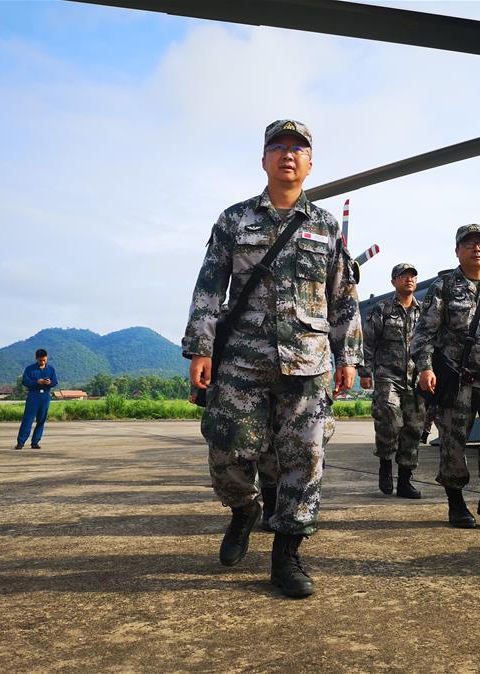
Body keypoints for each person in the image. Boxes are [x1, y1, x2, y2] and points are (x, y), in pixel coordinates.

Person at [182, 119, 362, 598]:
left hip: (308, 363)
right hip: (242, 361)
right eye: (278, 147)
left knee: (305, 457)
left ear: (310, 163)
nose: (288, 154)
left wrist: (349, 356)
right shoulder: (234, 220)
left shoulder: (325, 225)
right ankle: (244, 509)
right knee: (226, 451)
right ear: (263, 160)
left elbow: (343, 296)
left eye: (298, 149)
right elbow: (208, 288)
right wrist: (200, 347)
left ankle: (287, 555)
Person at [411, 225, 480, 531]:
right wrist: (426, 368)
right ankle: (456, 503)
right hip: (458, 382)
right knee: (453, 446)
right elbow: (424, 334)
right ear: (457, 251)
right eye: (469, 243)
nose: (476, 248)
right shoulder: (443, 288)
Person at [359, 263, 425, 499]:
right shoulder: (382, 309)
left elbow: (430, 343)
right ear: (393, 282)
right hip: (388, 376)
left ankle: (405, 481)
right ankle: (385, 465)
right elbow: (368, 342)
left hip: (415, 378)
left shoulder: (423, 311)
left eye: (412, 276)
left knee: (414, 428)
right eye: (403, 276)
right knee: (390, 421)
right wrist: (365, 372)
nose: (409, 279)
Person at [15, 348, 57, 450]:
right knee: (28, 419)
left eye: (44, 360)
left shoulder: (51, 369)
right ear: (36, 359)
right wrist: (36, 382)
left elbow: (55, 382)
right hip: (33, 396)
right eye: (40, 360)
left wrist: (49, 383)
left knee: (41, 420)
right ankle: (20, 442)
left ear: (47, 358)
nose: (42, 362)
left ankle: (35, 442)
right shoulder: (30, 369)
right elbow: (25, 381)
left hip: (45, 396)